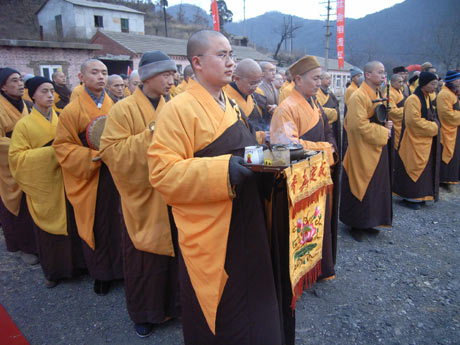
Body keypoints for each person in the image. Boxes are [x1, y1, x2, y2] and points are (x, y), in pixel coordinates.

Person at [148, 30, 282, 345]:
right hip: (211, 228)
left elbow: (243, 150)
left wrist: (276, 154)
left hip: (246, 217)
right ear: (197, 62)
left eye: (231, 55)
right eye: (221, 55)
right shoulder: (177, 109)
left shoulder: (231, 105)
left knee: (253, 291)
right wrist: (221, 171)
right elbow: (162, 173)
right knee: (223, 303)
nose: (230, 62)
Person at [99, 51, 180, 338]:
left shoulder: (175, 105)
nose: (171, 80)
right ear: (147, 77)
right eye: (165, 75)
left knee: (176, 256)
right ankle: (145, 313)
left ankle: (175, 306)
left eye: (173, 74)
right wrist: (150, 134)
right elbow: (110, 152)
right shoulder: (123, 109)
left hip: (173, 191)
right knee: (144, 259)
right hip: (142, 195)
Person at [53, 59, 123, 296]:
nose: (101, 77)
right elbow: (62, 146)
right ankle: (101, 274)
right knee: (97, 225)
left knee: (120, 222)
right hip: (91, 175)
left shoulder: (116, 105)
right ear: (82, 77)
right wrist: (91, 157)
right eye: (94, 72)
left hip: (116, 172)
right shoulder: (72, 110)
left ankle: (122, 269)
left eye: (104, 72)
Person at [9, 76, 86, 287]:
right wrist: (52, 152)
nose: (50, 95)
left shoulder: (61, 118)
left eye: (52, 91)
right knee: (49, 232)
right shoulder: (23, 125)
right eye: (44, 91)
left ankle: (77, 266)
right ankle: (54, 272)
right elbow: (17, 158)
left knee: (72, 223)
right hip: (45, 185)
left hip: (66, 179)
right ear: (32, 95)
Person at [270, 55, 338, 280]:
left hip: (316, 173)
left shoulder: (314, 102)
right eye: (315, 78)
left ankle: (317, 267)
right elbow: (286, 145)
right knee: (302, 225)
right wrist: (325, 148)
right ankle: (298, 273)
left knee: (318, 220)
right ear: (298, 79)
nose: (320, 83)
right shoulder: (287, 107)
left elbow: (328, 130)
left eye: (321, 78)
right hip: (299, 178)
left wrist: (330, 146)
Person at [340, 61, 393, 241]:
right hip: (361, 150)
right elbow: (357, 127)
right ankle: (355, 224)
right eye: (379, 72)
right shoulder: (358, 96)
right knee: (360, 184)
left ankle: (370, 221)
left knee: (375, 186)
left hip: (375, 147)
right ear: (367, 75)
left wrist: (386, 125)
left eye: (384, 72)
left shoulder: (378, 93)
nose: (383, 75)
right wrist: (384, 131)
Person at [0, 68, 37, 264]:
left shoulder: (28, 105)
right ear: (3, 86)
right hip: (9, 165)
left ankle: (37, 243)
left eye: (21, 80)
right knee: (17, 205)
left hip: (31, 161)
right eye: (14, 81)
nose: (20, 84)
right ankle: (22, 246)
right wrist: (22, 146)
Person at [393, 72, 440, 209]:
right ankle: (410, 197)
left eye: (436, 84)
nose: (435, 87)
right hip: (413, 140)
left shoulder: (427, 97)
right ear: (424, 84)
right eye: (432, 84)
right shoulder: (413, 99)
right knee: (413, 167)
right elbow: (413, 122)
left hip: (424, 140)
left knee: (424, 170)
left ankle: (421, 196)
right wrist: (434, 127)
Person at [223, 58, 271, 133]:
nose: (255, 87)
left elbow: (264, 123)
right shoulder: (224, 96)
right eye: (252, 83)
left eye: (258, 82)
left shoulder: (257, 97)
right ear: (237, 78)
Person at [437, 70, 460, 190]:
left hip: (454, 128)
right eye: (458, 79)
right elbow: (446, 114)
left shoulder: (452, 93)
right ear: (451, 81)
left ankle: (451, 178)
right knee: (447, 153)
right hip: (447, 129)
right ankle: (444, 180)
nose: (459, 82)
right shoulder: (444, 94)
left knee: (455, 155)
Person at [316, 71, 341, 148]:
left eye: (330, 78)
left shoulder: (329, 92)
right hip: (325, 125)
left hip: (334, 125)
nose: (329, 80)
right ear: (321, 80)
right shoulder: (317, 93)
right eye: (327, 78)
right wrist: (334, 113)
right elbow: (318, 109)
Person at [388, 73, 406, 149]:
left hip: (402, 123)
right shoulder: (389, 94)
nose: (401, 84)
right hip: (395, 125)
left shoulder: (400, 91)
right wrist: (406, 110)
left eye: (402, 82)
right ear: (392, 82)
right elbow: (391, 111)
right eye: (399, 82)